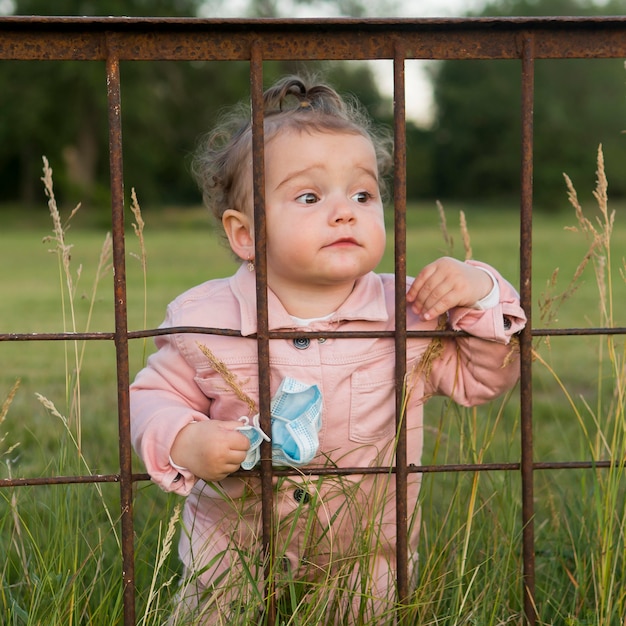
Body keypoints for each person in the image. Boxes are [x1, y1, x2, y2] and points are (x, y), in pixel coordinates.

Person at [130, 75, 526, 625]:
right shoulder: (203, 319)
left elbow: (486, 377)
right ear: (245, 234)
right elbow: (151, 396)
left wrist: (481, 292)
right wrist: (182, 437)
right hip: (233, 543)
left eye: (363, 195)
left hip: (368, 548)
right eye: (310, 197)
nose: (345, 212)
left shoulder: (408, 310)